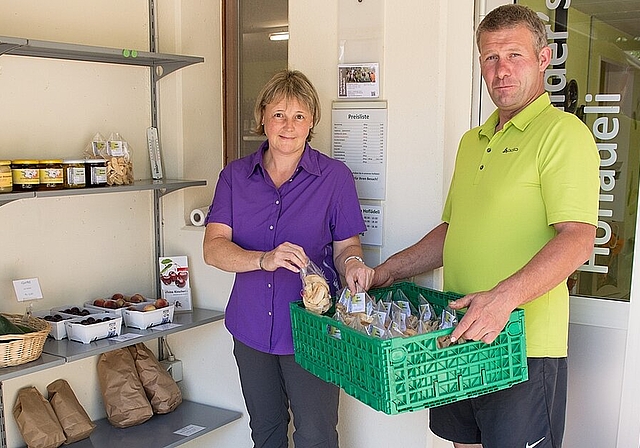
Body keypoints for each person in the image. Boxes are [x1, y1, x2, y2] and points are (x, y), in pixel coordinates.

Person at [372, 5, 599, 448]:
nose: (501, 71)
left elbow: (578, 240)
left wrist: (503, 300)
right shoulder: (471, 141)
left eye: (514, 55)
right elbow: (451, 230)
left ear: (544, 57)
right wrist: (387, 272)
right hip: (457, 336)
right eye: (490, 58)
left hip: (522, 346)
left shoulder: (563, 134)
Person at [203, 69, 374, 448]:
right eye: (278, 114)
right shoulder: (235, 177)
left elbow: (348, 247)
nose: (288, 125)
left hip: (312, 333)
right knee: (265, 432)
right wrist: (263, 259)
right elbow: (213, 248)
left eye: (299, 115)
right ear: (262, 116)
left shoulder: (335, 178)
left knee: (315, 435)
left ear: (311, 121)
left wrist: (353, 267)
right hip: (250, 329)